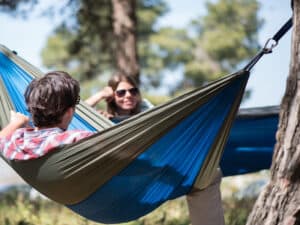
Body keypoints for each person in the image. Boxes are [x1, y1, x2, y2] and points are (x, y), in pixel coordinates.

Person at [0, 70, 224, 225]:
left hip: (76, 191)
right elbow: (123, 153)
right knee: (209, 175)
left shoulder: (17, 140)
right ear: (70, 112)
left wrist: (14, 124)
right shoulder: (78, 138)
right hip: (112, 195)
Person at [0, 71, 94, 160]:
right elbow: (106, 145)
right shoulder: (76, 138)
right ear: (68, 112)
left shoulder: (13, 143)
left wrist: (15, 123)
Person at [85, 72, 152, 122]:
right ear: (112, 96)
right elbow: (77, 112)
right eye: (121, 92)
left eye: (133, 91)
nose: (129, 95)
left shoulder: (145, 107)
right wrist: (101, 94)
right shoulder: (105, 118)